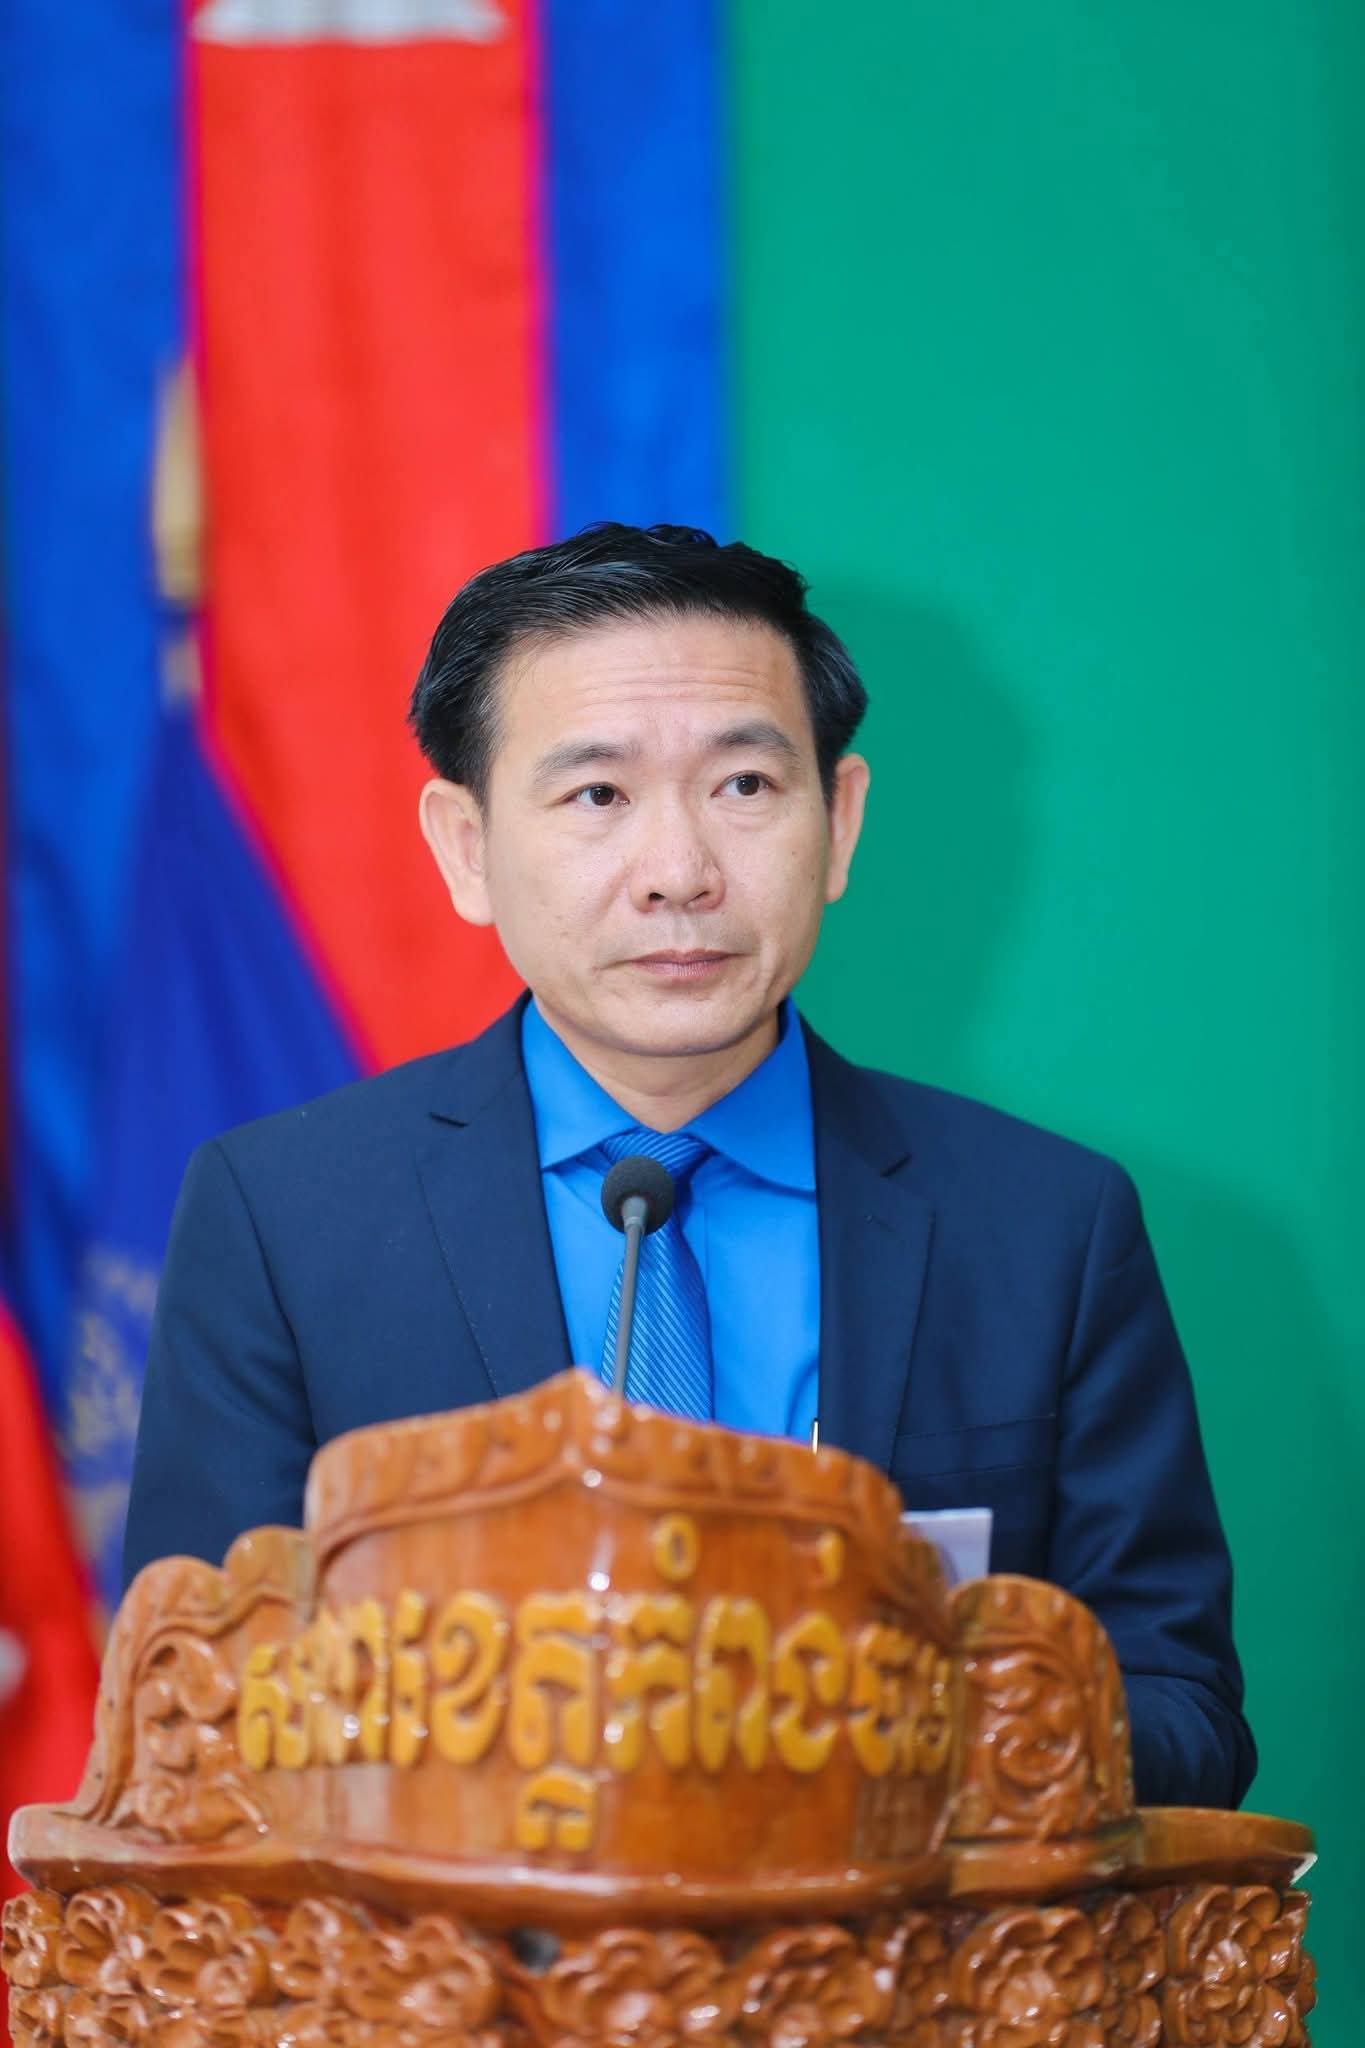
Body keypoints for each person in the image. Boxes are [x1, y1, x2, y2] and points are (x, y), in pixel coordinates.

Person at [123, 522, 1255, 1809]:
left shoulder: (1047, 1226)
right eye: (598, 796)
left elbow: (1185, 1709)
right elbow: (197, 1722)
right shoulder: (283, 1218)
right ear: (465, 847)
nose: (680, 873)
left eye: (745, 785)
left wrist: (908, 1728)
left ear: (840, 822)